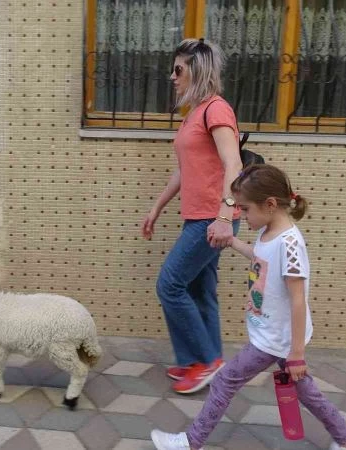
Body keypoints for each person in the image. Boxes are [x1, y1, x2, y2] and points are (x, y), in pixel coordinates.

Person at [150, 164, 346, 450]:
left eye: (245, 209)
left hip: (276, 340)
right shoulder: (270, 232)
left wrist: (296, 354)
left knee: (224, 381)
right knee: (307, 393)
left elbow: (298, 299)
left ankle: (190, 443)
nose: (242, 215)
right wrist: (232, 242)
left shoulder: (290, 245)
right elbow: (260, 257)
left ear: (269, 204)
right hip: (275, 335)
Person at [141, 38, 242, 394]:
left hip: (212, 218)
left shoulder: (217, 110)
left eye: (178, 69)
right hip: (200, 217)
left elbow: (234, 164)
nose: (172, 76)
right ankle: (201, 362)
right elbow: (185, 170)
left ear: (197, 70)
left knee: (169, 285)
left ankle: (207, 362)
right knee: (201, 290)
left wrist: (225, 217)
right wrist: (157, 207)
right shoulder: (194, 114)